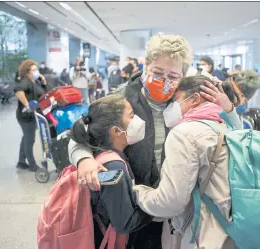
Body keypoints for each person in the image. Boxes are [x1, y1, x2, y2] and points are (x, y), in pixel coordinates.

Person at [68, 33, 241, 249]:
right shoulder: (121, 99)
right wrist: (84, 159)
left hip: (177, 211)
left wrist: (229, 110)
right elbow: (82, 132)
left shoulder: (189, 101)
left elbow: (236, 137)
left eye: (173, 76)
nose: (165, 81)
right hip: (134, 209)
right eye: (157, 73)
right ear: (145, 66)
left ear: (183, 76)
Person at [133, 75, 236, 249]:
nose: (171, 107)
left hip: (205, 238)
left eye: (175, 100)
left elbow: (170, 202)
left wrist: (136, 192)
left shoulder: (185, 133)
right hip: (235, 233)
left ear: (195, 99)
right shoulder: (229, 127)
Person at [70, 94, 154, 247]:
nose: (138, 121)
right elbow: (124, 223)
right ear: (116, 131)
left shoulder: (100, 152)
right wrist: (156, 206)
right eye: (132, 116)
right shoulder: (113, 168)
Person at [14, 59, 52, 171]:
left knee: (26, 137)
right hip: (25, 117)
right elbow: (18, 90)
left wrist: (44, 82)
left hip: (34, 115)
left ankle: (21, 162)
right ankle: (32, 164)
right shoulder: (26, 81)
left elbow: (47, 93)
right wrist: (27, 105)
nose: (37, 71)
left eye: (37, 69)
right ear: (27, 72)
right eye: (34, 70)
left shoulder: (37, 82)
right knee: (30, 139)